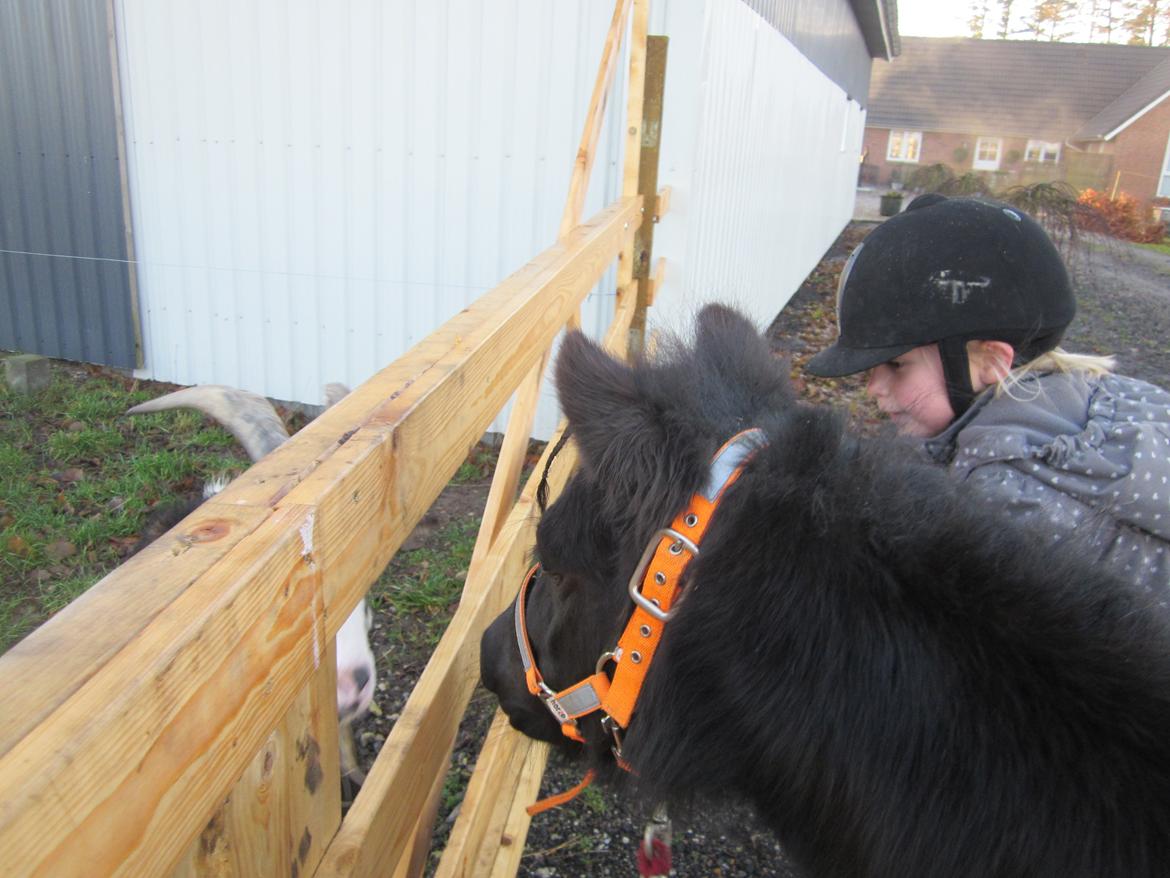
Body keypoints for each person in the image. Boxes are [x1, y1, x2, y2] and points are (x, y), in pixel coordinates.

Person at [805, 193, 1170, 598]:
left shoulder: (1000, 495)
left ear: (992, 362)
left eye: (897, 365)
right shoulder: (1098, 394)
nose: (873, 387)